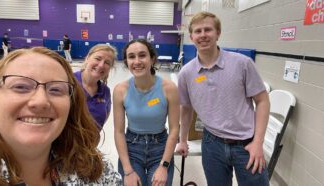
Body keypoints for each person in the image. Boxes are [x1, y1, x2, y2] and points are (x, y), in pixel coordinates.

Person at [0, 47, 122, 185]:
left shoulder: (95, 172)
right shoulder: (74, 80)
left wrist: (87, 150)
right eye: (20, 87)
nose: (40, 101)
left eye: (55, 89)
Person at [175, 11, 270, 186]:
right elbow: (186, 108)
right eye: (198, 31)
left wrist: (258, 142)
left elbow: (263, 100)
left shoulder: (242, 64)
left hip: (246, 144)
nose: (203, 35)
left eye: (208, 30)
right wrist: (182, 141)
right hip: (212, 144)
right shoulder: (186, 73)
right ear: (191, 36)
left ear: (218, 33)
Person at [113, 39, 180, 186]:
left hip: (160, 149)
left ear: (152, 59)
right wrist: (128, 170)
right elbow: (118, 132)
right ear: (126, 62)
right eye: (131, 57)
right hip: (132, 148)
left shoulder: (169, 89)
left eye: (142, 55)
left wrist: (164, 166)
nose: (137, 61)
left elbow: (175, 128)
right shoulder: (120, 90)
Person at [74, 44, 117, 130]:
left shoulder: (105, 91)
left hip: (91, 142)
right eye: (98, 59)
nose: (101, 65)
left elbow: (104, 117)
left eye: (107, 63)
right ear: (87, 58)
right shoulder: (68, 82)